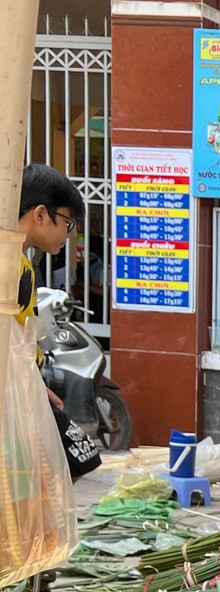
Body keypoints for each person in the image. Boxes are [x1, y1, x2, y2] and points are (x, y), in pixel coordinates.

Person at [17, 163, 101, 481]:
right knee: (74, 460)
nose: (70, 235)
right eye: (67, 223)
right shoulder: (13, 267)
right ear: (40, 214)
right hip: (15, 391)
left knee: (71, 462)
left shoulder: (24, 264)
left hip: (27, 385)